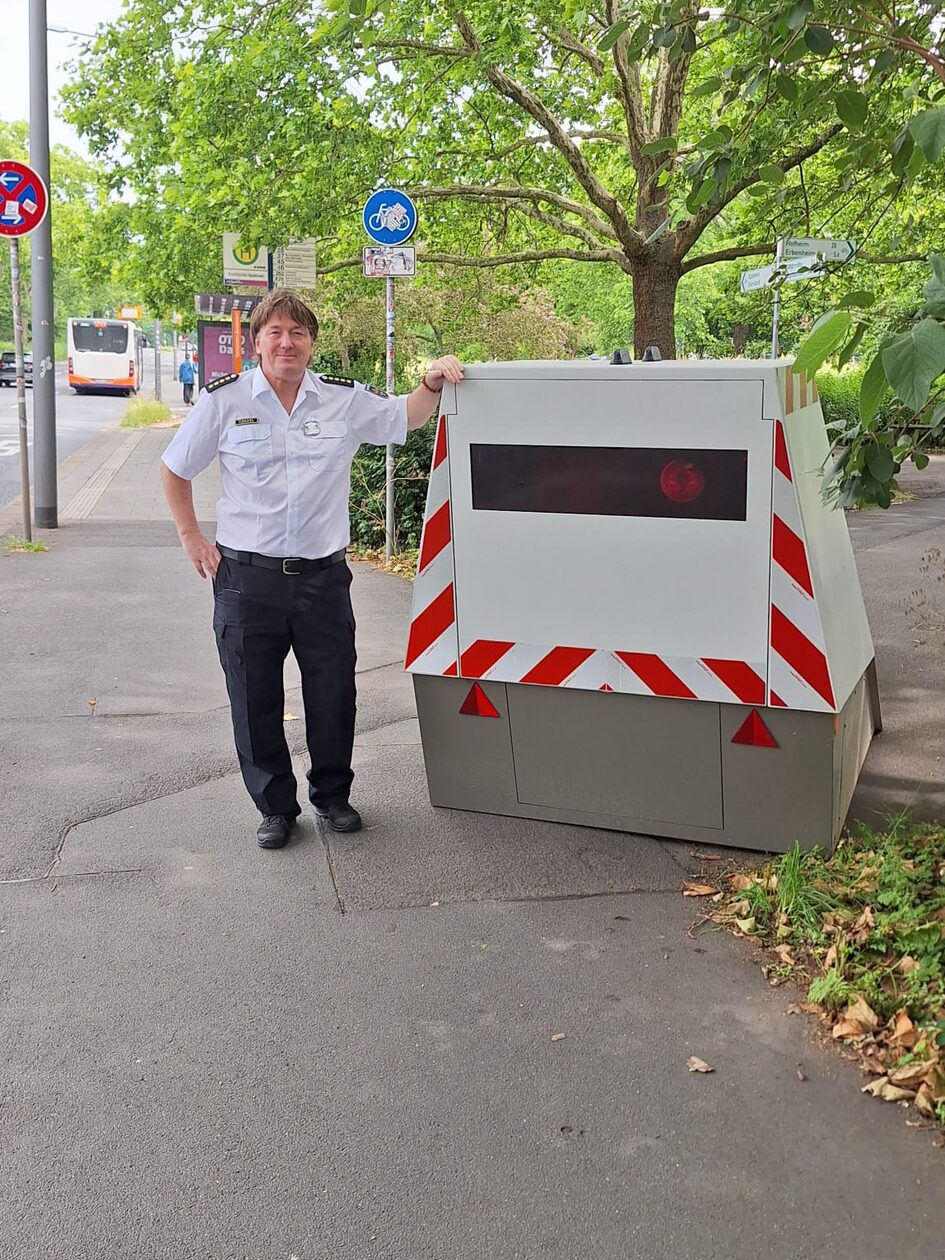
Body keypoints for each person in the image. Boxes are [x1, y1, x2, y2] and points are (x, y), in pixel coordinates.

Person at [160, 288, 463, 849]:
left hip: (322, 578)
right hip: (247, 579)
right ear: (255, 344)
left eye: (297, 333)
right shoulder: (223, 402)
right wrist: (190, 536)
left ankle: (332, 796)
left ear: (311, 343)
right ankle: (275, 808)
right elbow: (175, 468)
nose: (286, 342)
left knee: (332, 692)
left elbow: (405, 418)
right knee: (254, 698)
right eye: (274, 332)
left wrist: (431, 382)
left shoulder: (341, 401)